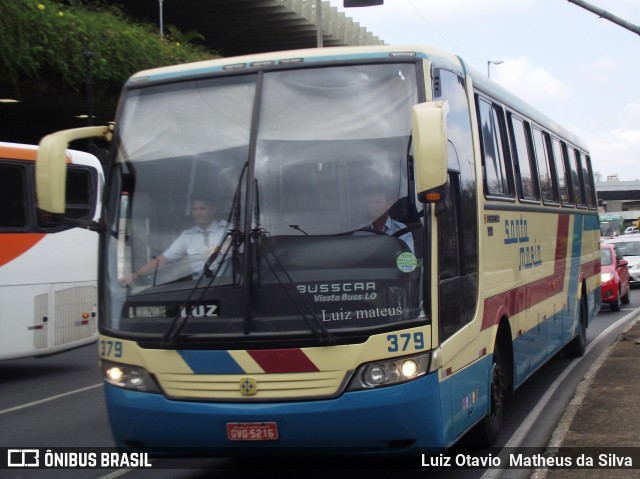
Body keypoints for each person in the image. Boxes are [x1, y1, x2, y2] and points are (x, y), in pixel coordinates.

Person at [120, 194, 230, 285]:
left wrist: (217, 250)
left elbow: (228, 245)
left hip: (225, 286)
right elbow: (162, 259)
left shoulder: (227, 229)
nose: (197, 213)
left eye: (202, 208)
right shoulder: (187, 236)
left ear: (213, 209)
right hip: (200, 289)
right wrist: (135, 275)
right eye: (194, 209)